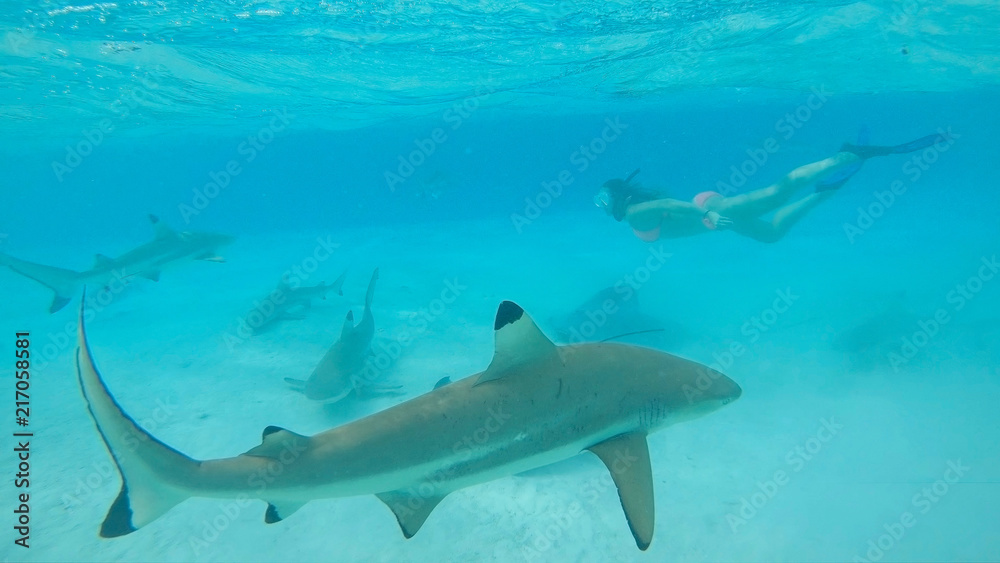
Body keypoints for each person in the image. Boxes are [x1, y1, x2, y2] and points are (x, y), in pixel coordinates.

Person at [593, 131, 949, 243]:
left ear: (617, 199)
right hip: (711, 216)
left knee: (776, 193)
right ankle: (825, 192)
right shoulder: (632, 215)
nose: (602, 207)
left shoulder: (635, 213)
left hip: (712, 212)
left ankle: (842, 158)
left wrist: (710, 215)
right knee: (771, 235)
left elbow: (669, 203)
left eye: (602, 200)